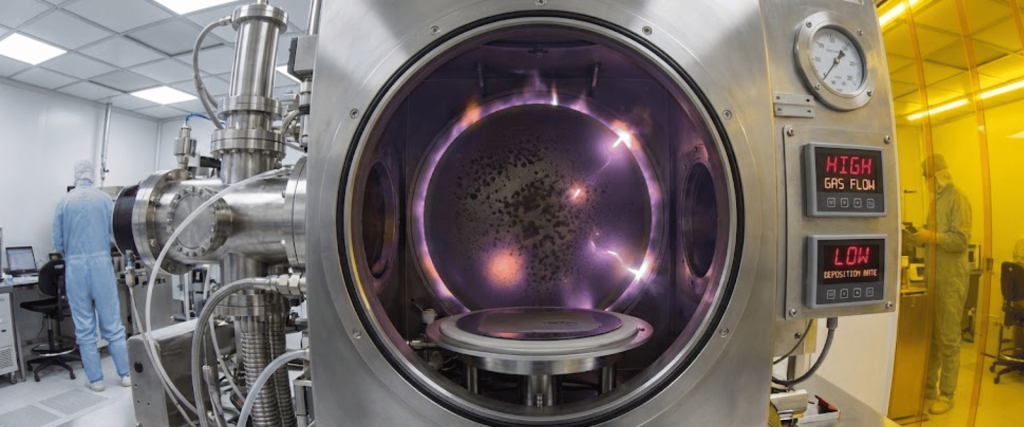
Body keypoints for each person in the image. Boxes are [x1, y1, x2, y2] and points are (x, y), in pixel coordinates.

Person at [52, 160, 130, 392]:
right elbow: (114, 234)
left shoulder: (64, 202)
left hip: (75, 267)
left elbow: (57, 241)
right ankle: (125, 374)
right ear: (92, 175)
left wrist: (71, 254)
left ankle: (95, 380)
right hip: (101, 264)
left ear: (75, 176)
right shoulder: (105, 199)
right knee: (113, 322)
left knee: (84, 325)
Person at [909, 154, 972, 415]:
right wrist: (917, 238)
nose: (926, 182)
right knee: (932, 337)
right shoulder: (936, 200)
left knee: (947, 338)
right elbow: (934, 236)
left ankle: (948, 394)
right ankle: (929, 389)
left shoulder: (958, 198)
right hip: (934, 277)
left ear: (937, 175)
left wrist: (931, 236)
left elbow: (960, 241)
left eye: (927, 177)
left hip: (951, 279)